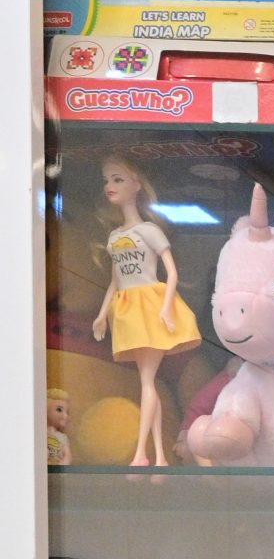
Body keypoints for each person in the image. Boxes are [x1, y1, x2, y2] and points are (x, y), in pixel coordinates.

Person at [90, 155, 201, 466]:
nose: (109, 186)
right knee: (147, 382)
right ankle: (160, 456)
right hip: (126, 310)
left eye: (118, 179)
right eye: (107, 180)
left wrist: (165, 309)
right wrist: (102, 314)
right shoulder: (114, 236)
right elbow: (115, 281)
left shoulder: (149, 230)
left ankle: (141, 453)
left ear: (137, 185)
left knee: (147, 382)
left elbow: (172, 273)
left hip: (149, 306)